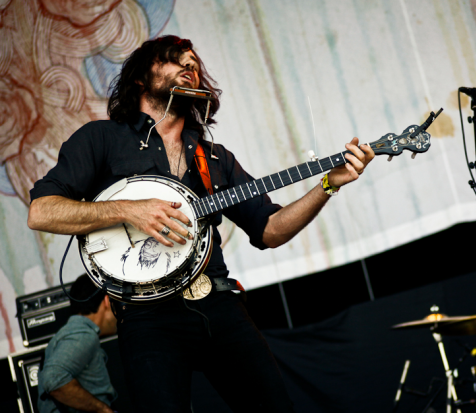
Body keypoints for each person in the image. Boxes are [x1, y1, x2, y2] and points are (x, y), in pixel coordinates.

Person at [27, 35, 375, 412]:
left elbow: (270, 229)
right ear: (141, 79)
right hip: (147, 318)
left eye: (193, 63)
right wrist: (128, 210)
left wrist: (328, 184)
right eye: (175, 60)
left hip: (220, 305)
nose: (189, 67)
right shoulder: (102, 139)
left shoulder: (214, 157)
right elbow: (42, 211)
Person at [38, 274, 118, 413]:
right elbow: (53, 379)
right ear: (107, 301)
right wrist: (103, 409)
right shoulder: (83, 335)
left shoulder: (73, 332)